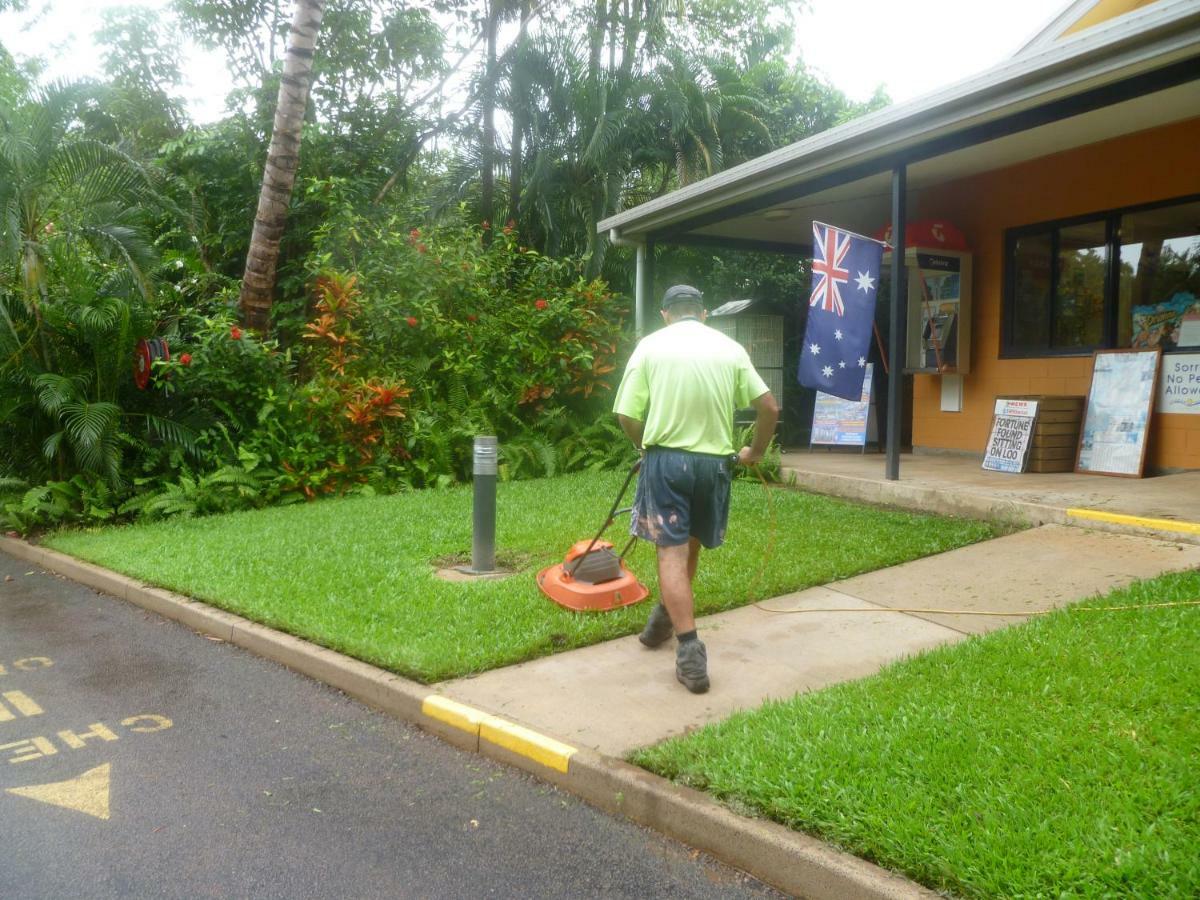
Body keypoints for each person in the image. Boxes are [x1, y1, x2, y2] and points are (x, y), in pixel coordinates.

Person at [612, 284, 779, 693]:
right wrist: (755, 452)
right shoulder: (730, 348)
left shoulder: (651, 347)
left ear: (666, 314)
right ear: (703, 314)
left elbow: (625, 414)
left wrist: (642, 444)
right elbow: (769, 407)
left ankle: (689, 650)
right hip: (714, 465)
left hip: (667, 462)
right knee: (689, 545)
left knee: (670, 552)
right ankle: (665, 618)